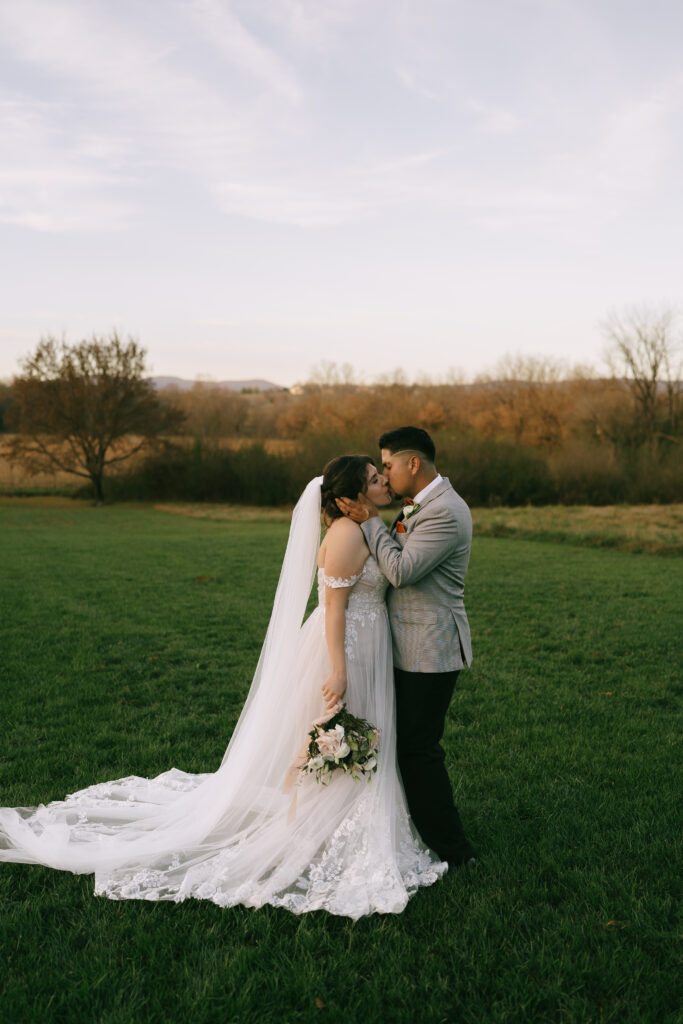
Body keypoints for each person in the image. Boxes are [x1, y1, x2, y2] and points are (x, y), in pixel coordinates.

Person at [0, 456, 447, 920]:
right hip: (347, 647)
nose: (383, 482)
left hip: (368, 641)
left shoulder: (366, 527)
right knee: (344, 726)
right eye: (374, 479)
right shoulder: (344, 536)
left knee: (364, 730)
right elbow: (334, 610)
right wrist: (338, 670)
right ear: (346, 499)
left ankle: (345, 819)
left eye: (381, 474)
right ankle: (327, 826)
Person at [336, 426, 476, 870]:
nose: (387, 475)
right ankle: (409, 831)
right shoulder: (420, 506)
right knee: (406, 747)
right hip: (403, 646)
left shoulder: (445, 512)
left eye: (390, 466)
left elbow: (400, 570)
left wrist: (369, 521)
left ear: (413, 464)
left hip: (430, 649)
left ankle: (454, 852)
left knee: (419, 750)